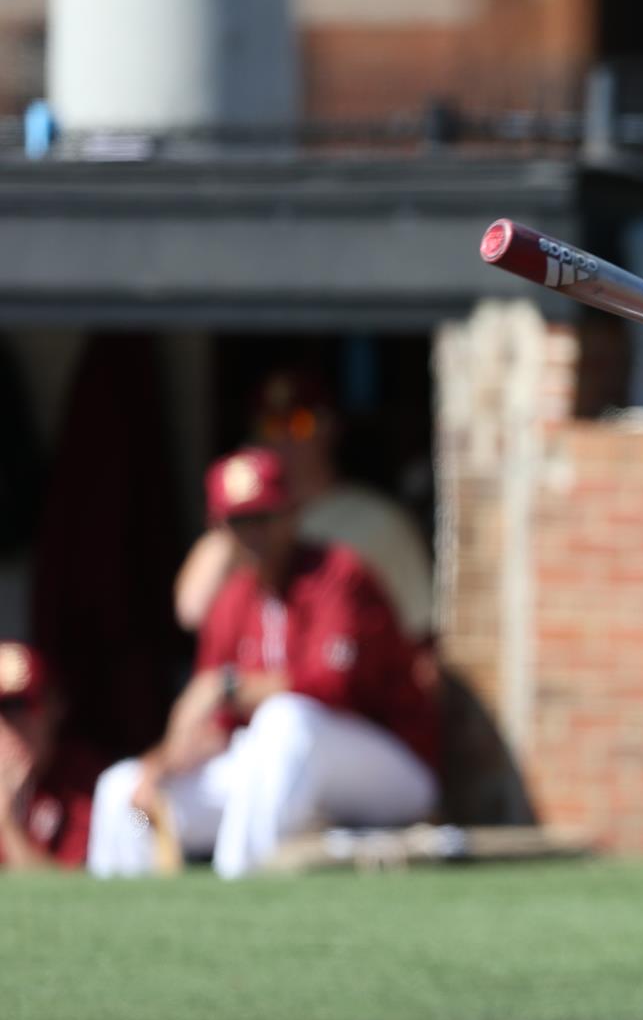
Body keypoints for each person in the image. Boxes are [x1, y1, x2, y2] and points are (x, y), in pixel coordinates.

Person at [88, 449, 440, 879]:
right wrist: (161, 763)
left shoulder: (337, 574)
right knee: (121, 789)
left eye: (263, 518)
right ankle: (126, 918)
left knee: (283, 721)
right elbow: (215, 723)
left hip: (387, 770)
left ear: (291, 514)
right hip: (273, 774)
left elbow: (332, 687)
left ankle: (239, 887)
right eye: (238, 522)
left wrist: (230, 687)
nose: (252, 534)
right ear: (219, 530)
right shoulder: (234, 598)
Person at [174, 371, 435, 641]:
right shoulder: (238, 526)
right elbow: (192, 611)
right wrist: (237, 502)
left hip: (339, 673)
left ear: (330, 427)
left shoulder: (378, 519)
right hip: (259, 673)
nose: (284, 438)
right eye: (271, 425)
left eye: (300, 424)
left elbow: (420, 632)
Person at [0, 641, 110, 870]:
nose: (12, 727)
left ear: (55, 707)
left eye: (22, 709)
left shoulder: (84, 783)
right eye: (3, 712)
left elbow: (71, 895)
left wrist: (8, 824)